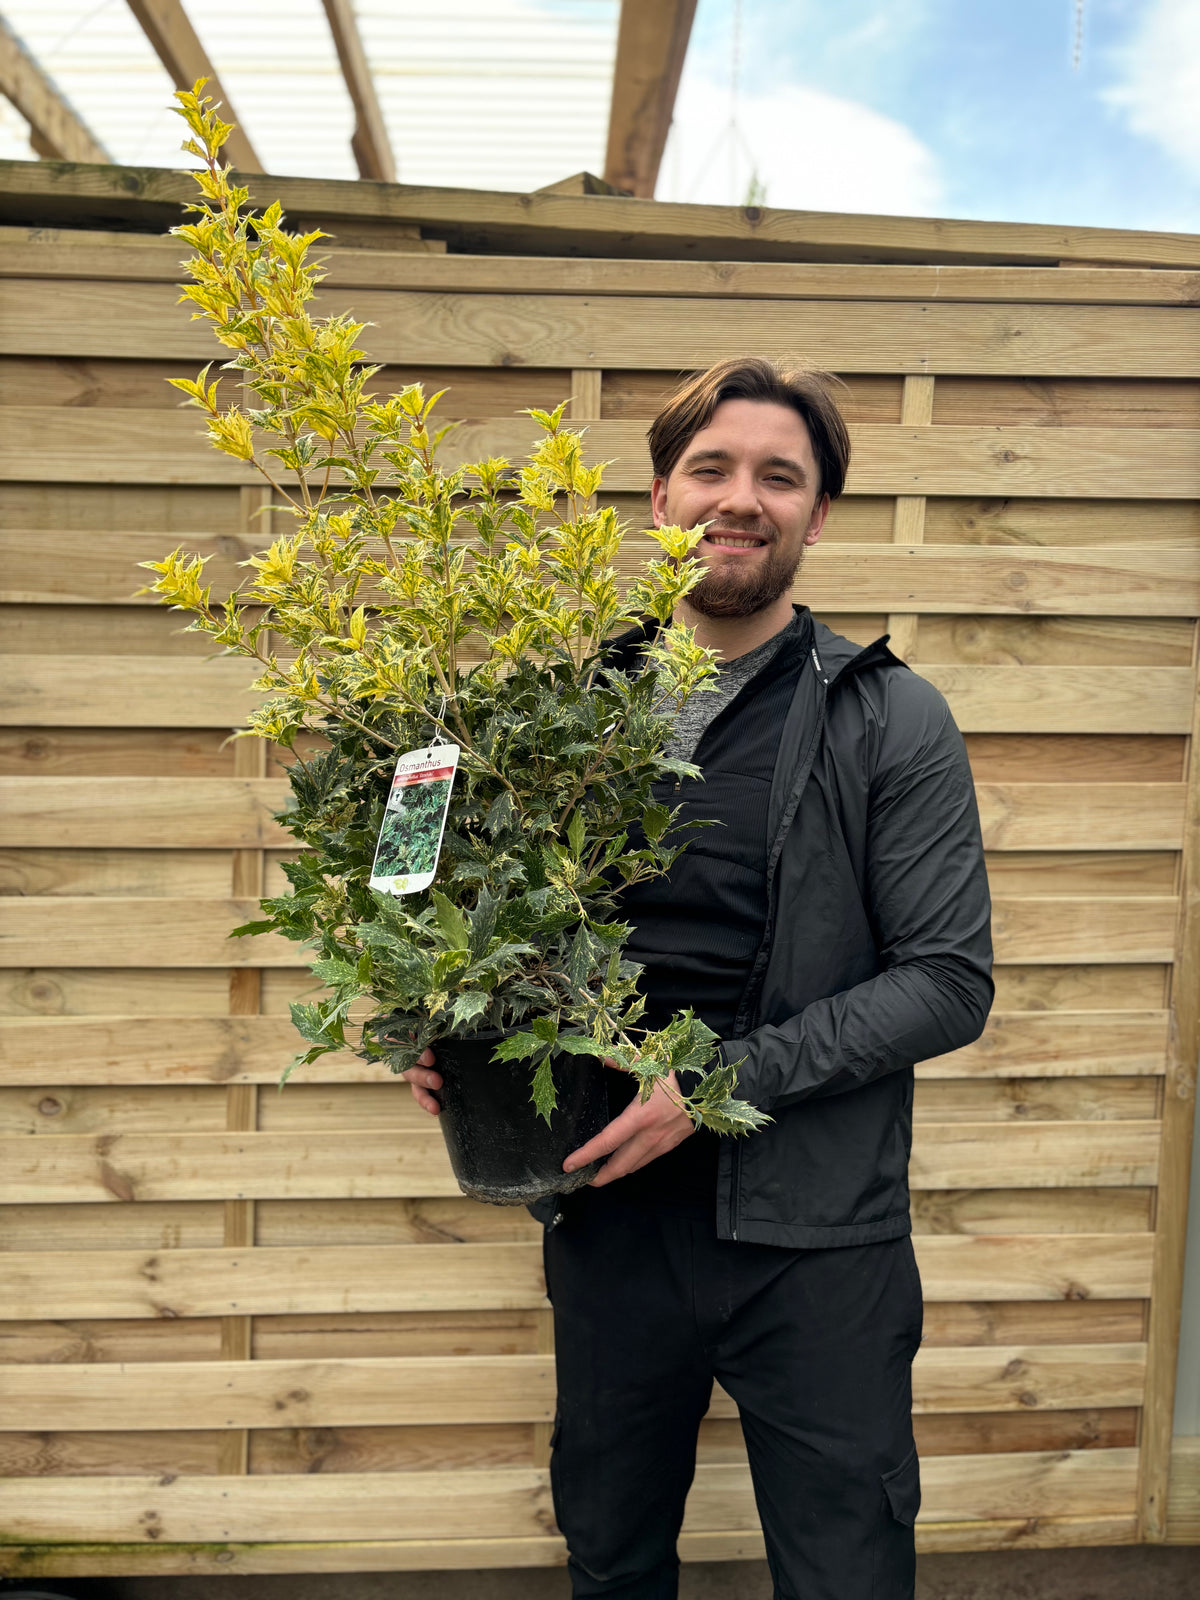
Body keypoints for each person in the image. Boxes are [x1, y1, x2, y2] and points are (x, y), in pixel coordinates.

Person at [402, 357, 994, 1600]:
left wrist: (713, 1081)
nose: (743, 497)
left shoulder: (891, 718)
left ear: (817, 513)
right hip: (611, 1223)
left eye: (781, 476)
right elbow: (426, 885)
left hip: (819, 1243)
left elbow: (948, 980)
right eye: (711, 469)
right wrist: (431, 1014)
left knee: (848, 1571)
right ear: (658, 497)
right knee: (612, 1559)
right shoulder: (548, 713)